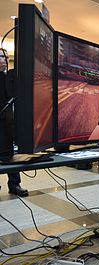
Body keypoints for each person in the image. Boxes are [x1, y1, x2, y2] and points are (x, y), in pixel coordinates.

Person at [0, 48, 29, 197]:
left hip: (7, 120)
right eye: (1, 56)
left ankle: (14, 184)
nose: (4, 59)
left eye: (5, 56)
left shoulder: (9, 76)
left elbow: (12, 93)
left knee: (10, 154)